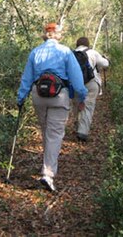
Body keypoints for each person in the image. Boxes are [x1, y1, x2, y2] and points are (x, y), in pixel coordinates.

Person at [17, 22, 87, 192]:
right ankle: (47, 174)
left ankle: (47, 164)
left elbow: (27, 78)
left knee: (47, 131)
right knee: (54, 134)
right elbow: (76, 78)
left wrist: (20, 98)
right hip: (59, 96)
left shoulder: (35, 52)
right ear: (58, 35)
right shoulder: (65, 52)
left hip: (38, 95)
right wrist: (81, 97)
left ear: (45, 34)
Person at [74, 37, 109, 142]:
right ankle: (82, 132)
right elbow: (105, 64)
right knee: (88, 106)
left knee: (77, 105)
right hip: (91, 82)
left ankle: (78, 125)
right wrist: (106, 58)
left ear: (77, 44)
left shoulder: (71, 53)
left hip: (76, 83)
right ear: (87, 44)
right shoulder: (93, 52)